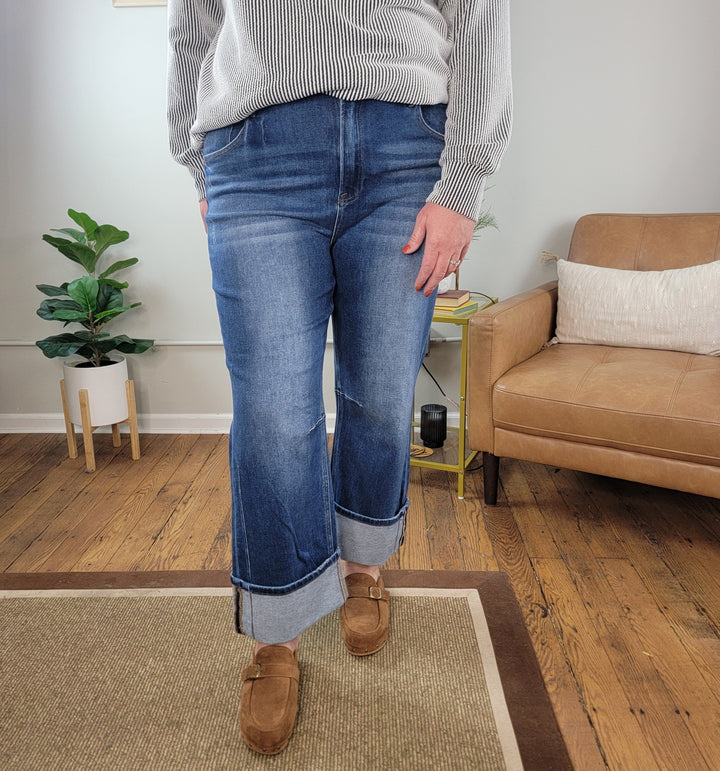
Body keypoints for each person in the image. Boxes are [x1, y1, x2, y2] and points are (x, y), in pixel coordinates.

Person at [168, 0, 511, 755]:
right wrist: (196, 157)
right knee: (273, 415)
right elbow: (193, 25)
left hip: (406, 147)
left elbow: (481, 15)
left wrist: (463, 186)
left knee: (383, 394)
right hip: (258, 150)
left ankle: (362, 566)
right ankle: (279, 635)